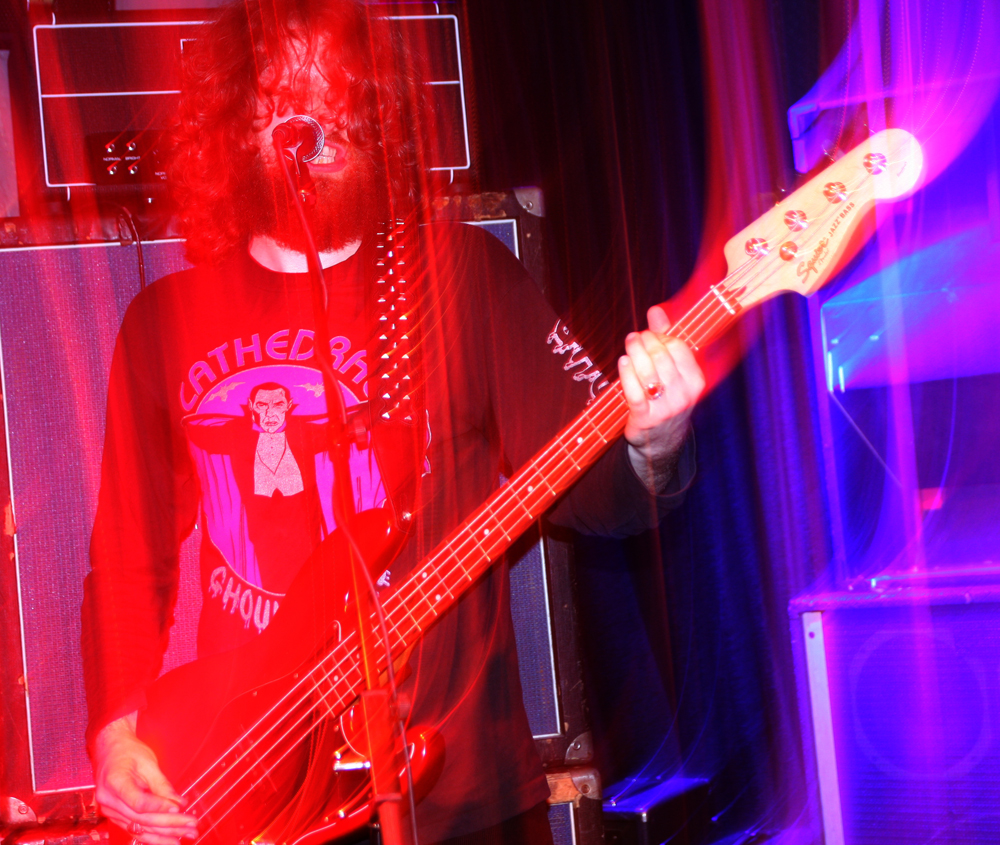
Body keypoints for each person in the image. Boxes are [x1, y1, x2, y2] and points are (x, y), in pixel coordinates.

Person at [80, 1, 705, 844]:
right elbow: (126, 559)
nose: (310, 109)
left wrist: (655, 441)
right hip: (255, 781)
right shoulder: (163, 320)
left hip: (461, 796)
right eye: (277, 84)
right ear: (230, 118)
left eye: (336, 84)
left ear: (378, 113)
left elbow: (600, 496)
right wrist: (115, 732)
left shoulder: (464, 278)